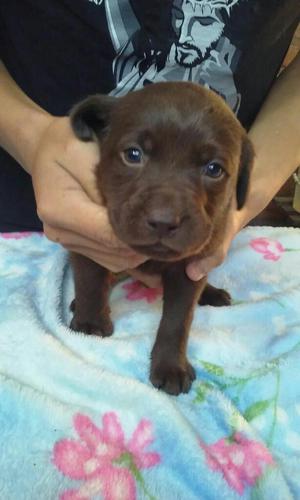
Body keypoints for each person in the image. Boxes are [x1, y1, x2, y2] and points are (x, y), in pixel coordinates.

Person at [0, 1, 299, 287]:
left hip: (214, 218)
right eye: (134, 154)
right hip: (21, 217)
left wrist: (246, 192)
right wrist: (31, 136)